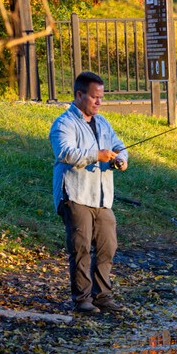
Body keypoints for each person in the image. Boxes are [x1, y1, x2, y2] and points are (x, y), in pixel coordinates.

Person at [49, 71, 128, 314]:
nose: (98, 102)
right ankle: (82, 299)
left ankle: (102, 296)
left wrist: (121, 159)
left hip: (102, 197)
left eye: (101, 97)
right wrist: (96, 156)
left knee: (107, 246)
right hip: (74, 194)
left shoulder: (103, 122)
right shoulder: (64, 123)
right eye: (94, 97)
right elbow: (65, 153)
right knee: (80, 246)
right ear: (79, 94)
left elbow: (118, 146)